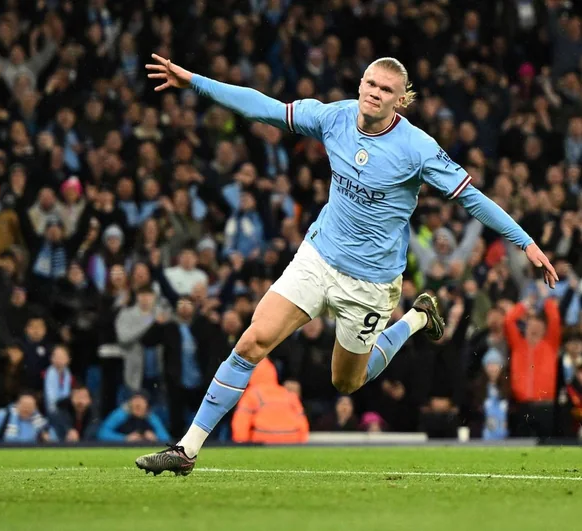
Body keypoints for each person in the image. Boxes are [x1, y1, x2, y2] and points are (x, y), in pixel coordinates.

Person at [135, 54, 558, 476]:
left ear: (401, 100)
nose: (375, 93)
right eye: (370, 83)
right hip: (318, 257)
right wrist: (194, 81)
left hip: (370, 282)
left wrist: (526, 243)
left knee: (347, 382)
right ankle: (187, 449)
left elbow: (471, 197)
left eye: (386, 90)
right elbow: (260, 104)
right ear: (360, 84)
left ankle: (414, 319)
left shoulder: (418, 148)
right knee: (252, 342)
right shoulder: (333, 117)